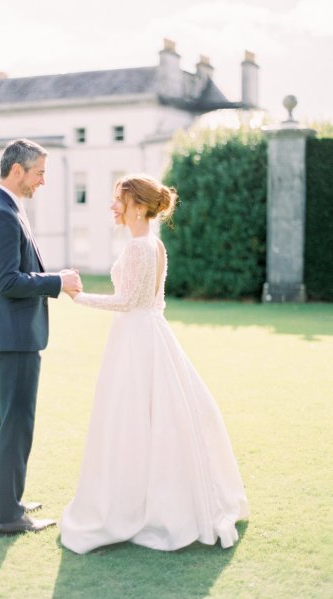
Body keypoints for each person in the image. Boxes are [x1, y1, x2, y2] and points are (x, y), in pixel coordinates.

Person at [60, 174, 249, 553]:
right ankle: (163, 501)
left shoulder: (137, 249)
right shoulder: (155, 245)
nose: (114, 206)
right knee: (160, 420)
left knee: (131, 421)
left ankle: (136, 508)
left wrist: (77, 297)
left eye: (120, 200)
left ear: (140, 206)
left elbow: (126, 302)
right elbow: (151, 303)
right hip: (152, 336)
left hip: (135, 340)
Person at [0, 138, 81, 535]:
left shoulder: (1, 206)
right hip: (12, 336)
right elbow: (7, 281)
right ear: (16, 170)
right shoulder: (2, 213)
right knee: (16, 423)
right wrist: (58, 280)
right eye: (39, 173)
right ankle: (9, 516)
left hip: (4, 333)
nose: (43, 181)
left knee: (9, 422)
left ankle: (5, 501)